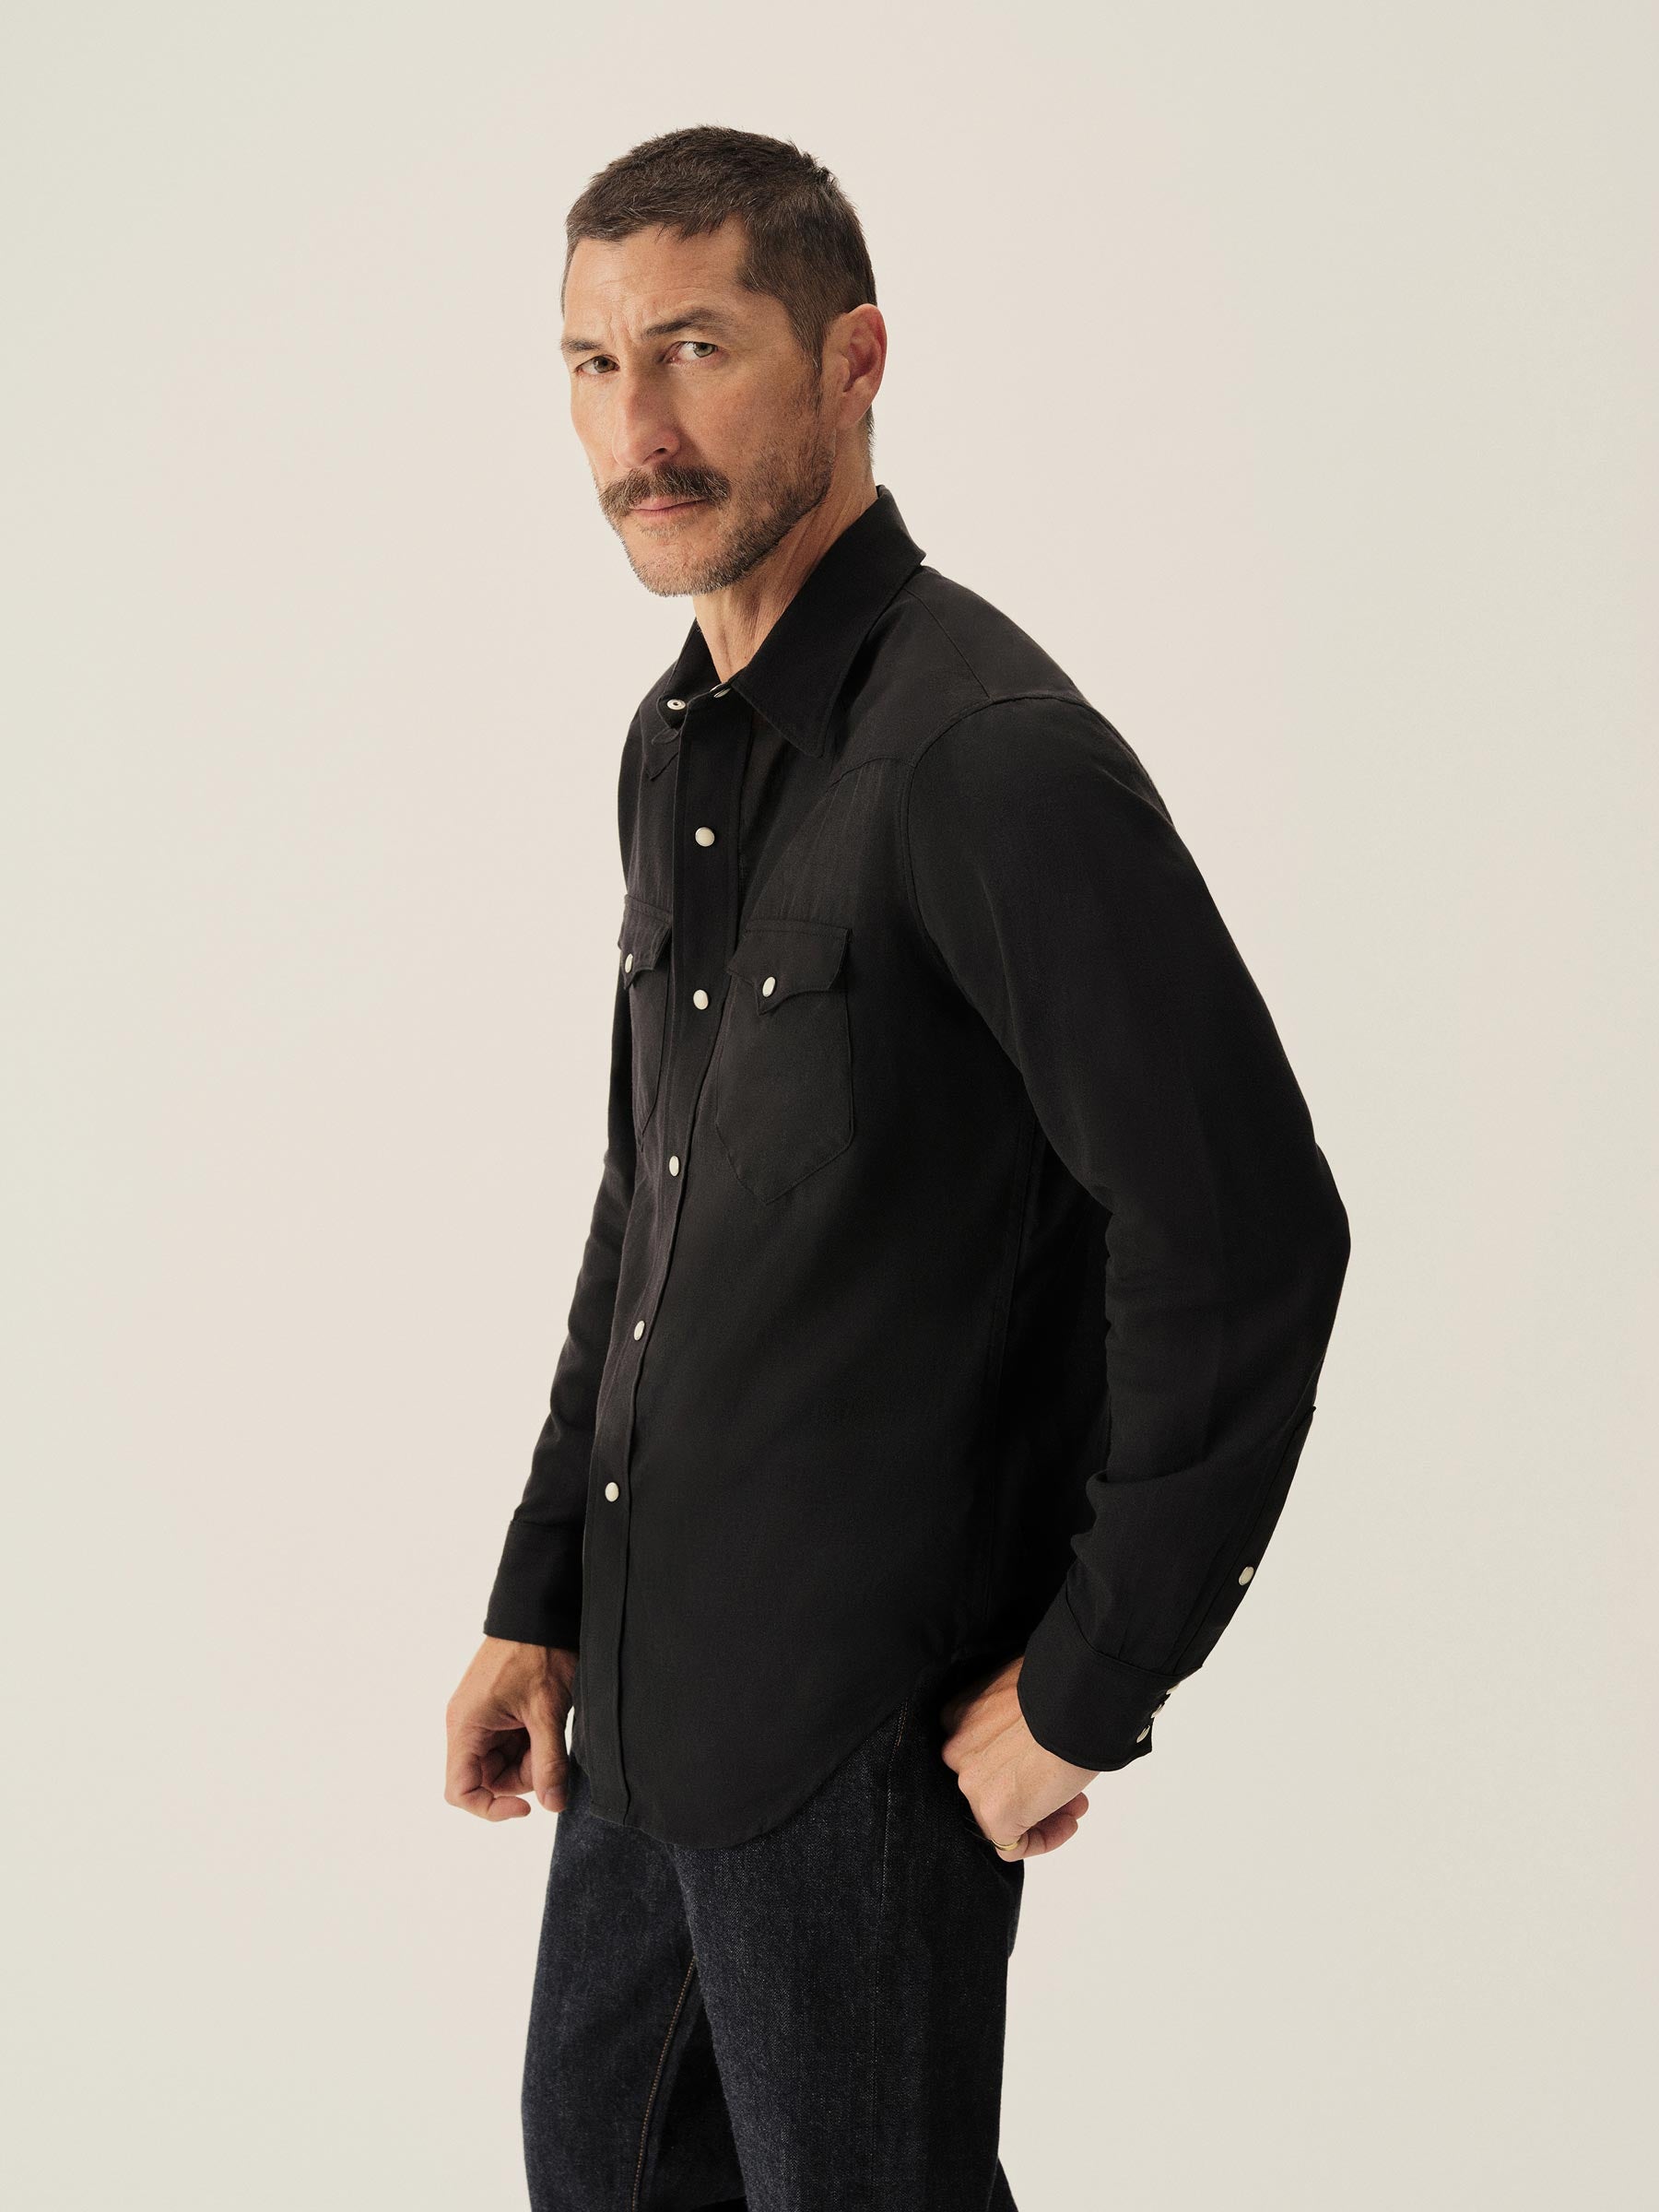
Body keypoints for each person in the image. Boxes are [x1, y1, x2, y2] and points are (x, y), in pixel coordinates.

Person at [444, 124, 1350, 2211]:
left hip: (860, 1741)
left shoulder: (988, 761)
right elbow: (652, 1200)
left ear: (853, 359)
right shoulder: (677, 744)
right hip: (646, 1715)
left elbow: (1245, 1234)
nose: (637, 430)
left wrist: (1094, 1685)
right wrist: (543, 1595)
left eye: (695, 349)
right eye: (591, 365)